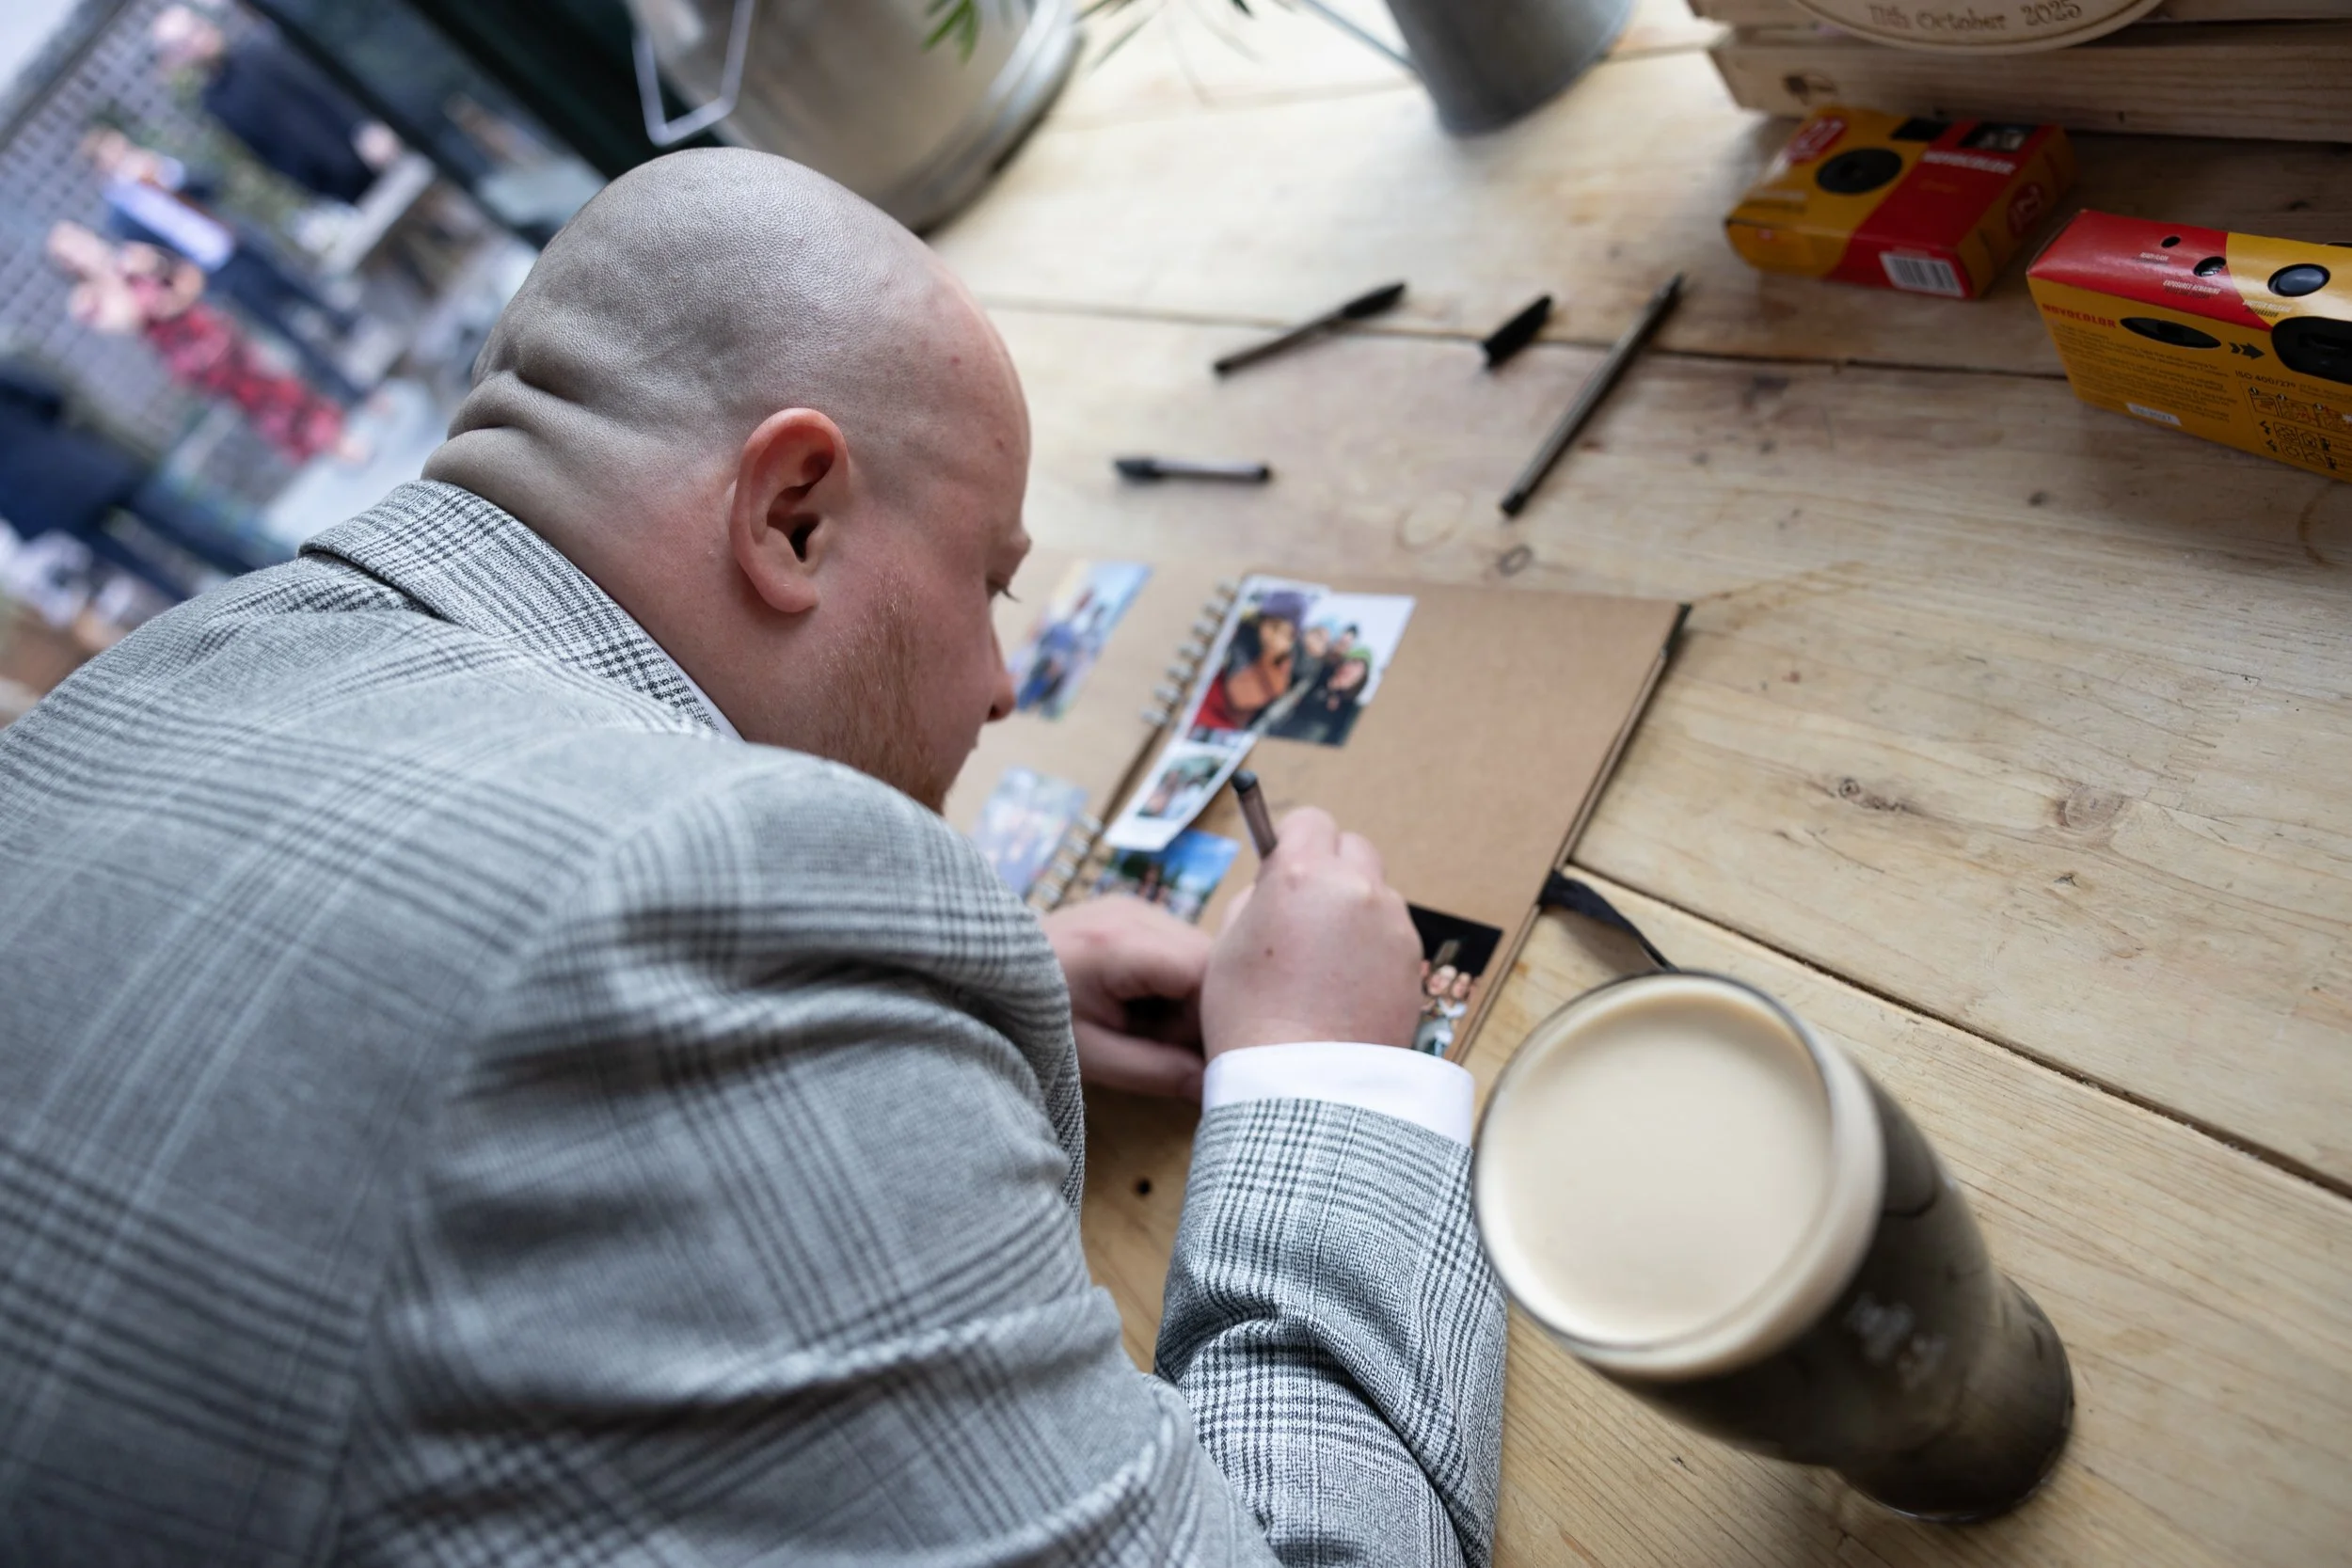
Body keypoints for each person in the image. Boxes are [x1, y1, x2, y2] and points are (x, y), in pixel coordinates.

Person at [0, 150, 1502, 1564]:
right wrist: (1319, 1072)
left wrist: (933, 1002)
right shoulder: (711, 915)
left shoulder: (146, 680)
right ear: (792, 516)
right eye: (989, 581)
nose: (996, 680)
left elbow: (377, 998)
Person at [82, 126, 367, 404]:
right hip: (211, 270)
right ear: (101, 168)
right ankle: (345, 386)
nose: (122, 157)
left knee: (297, 285)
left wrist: (169, 175)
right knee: (280, 326)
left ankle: (353, 326)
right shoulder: (119, 218)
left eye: (121, 148)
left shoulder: (157, 171)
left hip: (232, 239)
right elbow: (157, 259)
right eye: (113, 155)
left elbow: (212, 186)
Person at [46, 222, 361, 467]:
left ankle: (335, 435)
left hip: (208, 328)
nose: (79, 251)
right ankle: (322, 444)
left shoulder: (132, 255)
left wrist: (172, 293)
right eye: (69, 252)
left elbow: (188, 276)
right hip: (190, 357)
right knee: (257, 404)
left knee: (277, 378)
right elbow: (129, 317)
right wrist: (110, 275)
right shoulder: (87, 299)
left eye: (77, 240)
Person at [151, 6, 403, 206]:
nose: (197, 39)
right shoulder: (215, 103)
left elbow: (325, 87)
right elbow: (264, 152)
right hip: (337, 184)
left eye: (195, 29)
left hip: (366, 148)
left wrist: (365, 125)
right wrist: (316, 189)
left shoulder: (260, 49)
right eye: (183, 42)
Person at [1191, 589, 1307, 736]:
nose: (1275, 637)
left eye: (1287, 635)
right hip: (1203, 712)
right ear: (1261, 622)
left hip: (1228, 728)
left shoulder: (1284, 665)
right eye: (1273, 626)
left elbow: (1259, 697)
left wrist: (1273, 657)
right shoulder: (1240, 642)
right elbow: (1238, 692)